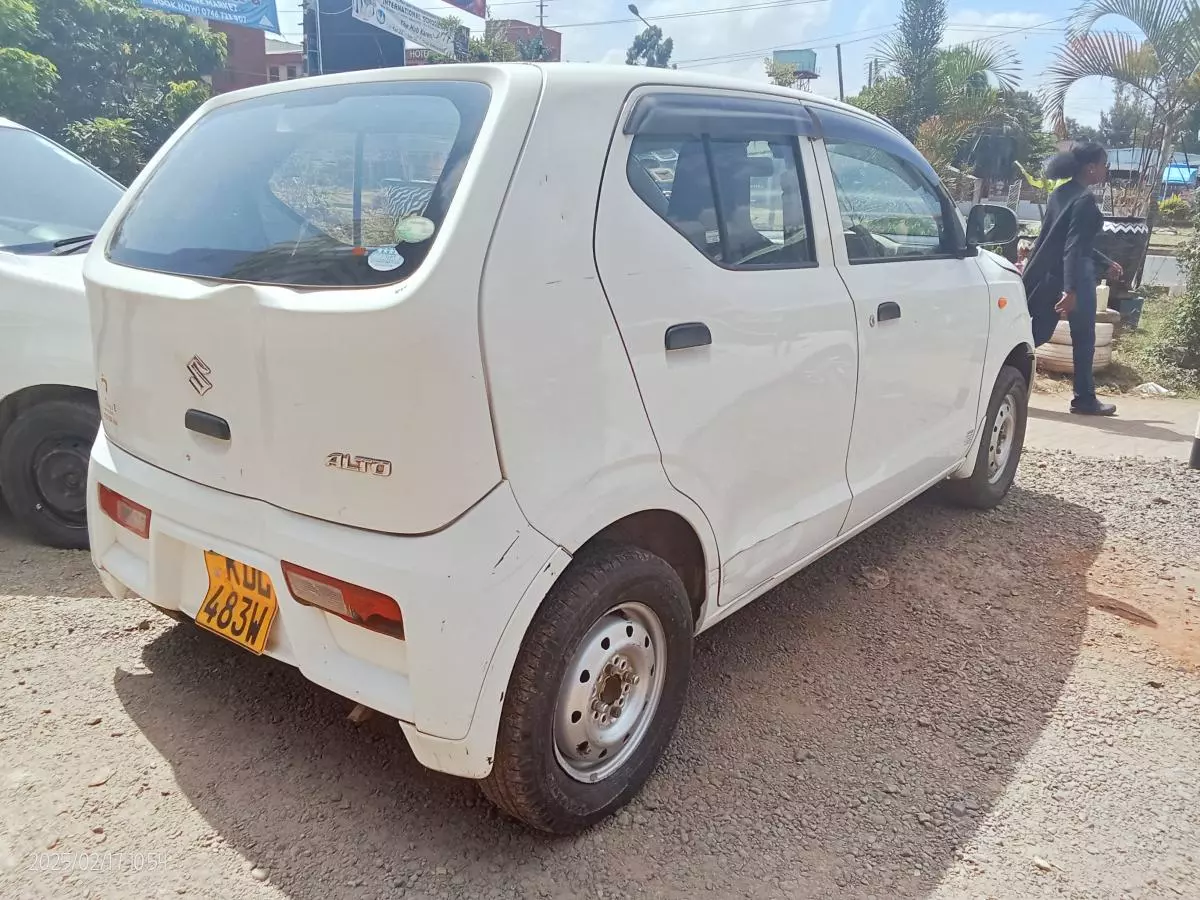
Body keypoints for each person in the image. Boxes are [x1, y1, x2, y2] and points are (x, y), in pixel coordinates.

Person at [1022, 142, 1124, 416]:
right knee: (1084, 339)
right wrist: (1070, 289)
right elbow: (1073, 247)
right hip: (1074, 278)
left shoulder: (1061, 193)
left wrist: (1104, 261)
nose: (1106, 170)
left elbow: (1064, 239)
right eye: (1104, 164)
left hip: (1046, 275)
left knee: (1036, 333)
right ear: (1091, 168)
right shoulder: (1084, 200)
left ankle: (993, 376)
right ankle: (1084, 399)